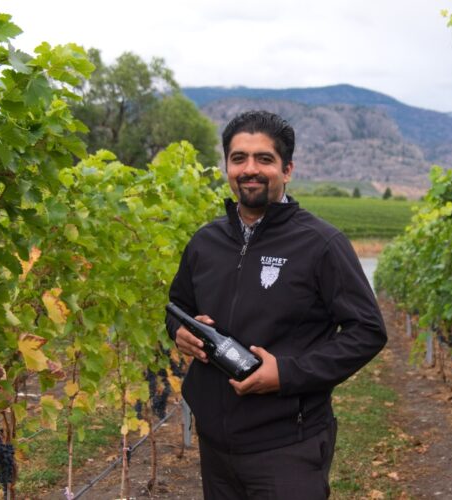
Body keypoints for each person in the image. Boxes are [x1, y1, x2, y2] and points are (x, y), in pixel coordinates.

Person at [165, 110, 387, 499]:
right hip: (215, 445)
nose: (250, 169)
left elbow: (367, 331)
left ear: (287, 170)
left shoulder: (321, 244)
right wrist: (180, 332)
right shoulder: (205, 242)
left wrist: (286, 374)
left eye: (264, 159)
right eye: (239, 158)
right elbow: (177, 307)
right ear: (227, 167)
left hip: (288, 444)